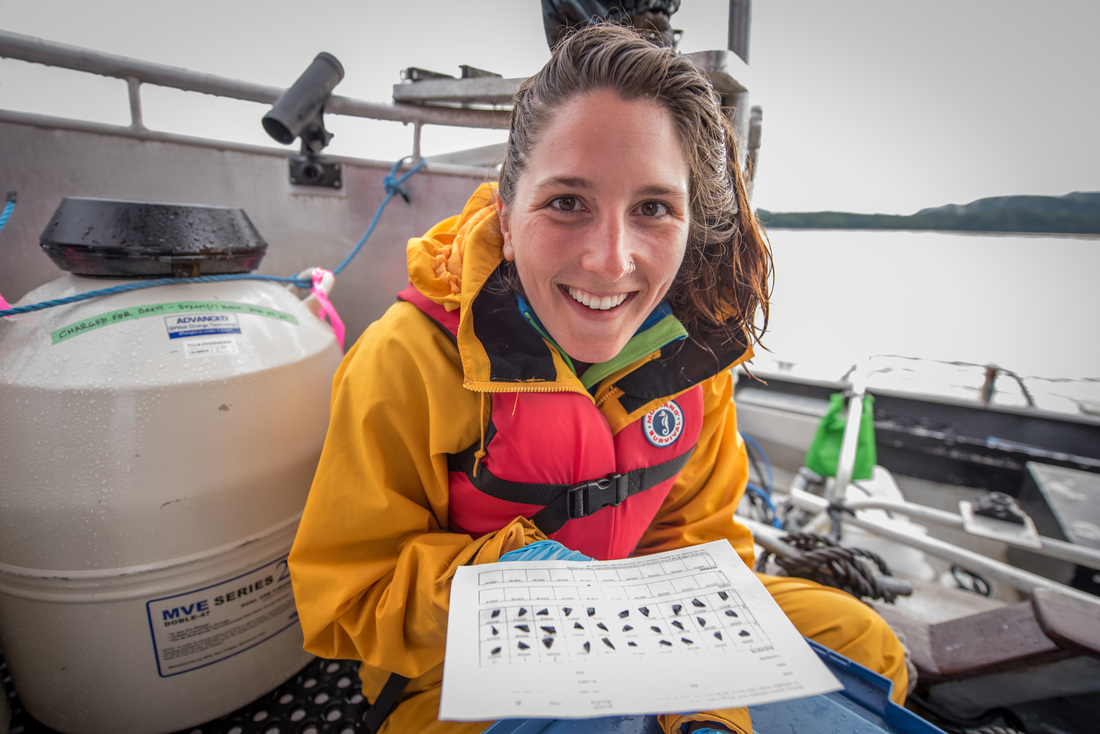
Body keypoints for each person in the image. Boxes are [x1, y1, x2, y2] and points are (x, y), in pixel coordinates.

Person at [287, 22, 907, 734]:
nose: (610, 260)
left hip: (648, 624)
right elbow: (349, 598)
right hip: (451, 675)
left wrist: (701, 703)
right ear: (507, 219)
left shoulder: (693, 354)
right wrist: (525, 583)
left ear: (690, 222)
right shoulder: (407, 359)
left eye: (652, 208)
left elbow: (700, 542)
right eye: (567, 203)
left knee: (863, 644)